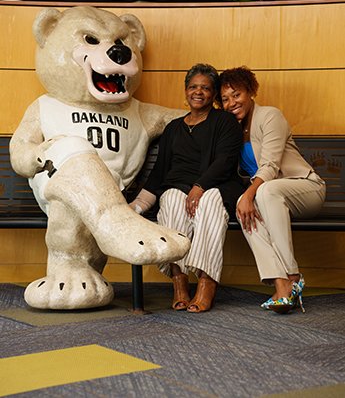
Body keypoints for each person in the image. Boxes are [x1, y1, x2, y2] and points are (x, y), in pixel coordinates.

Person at [130, 63, 244, 312]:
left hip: (218, 186)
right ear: (186, 91)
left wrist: (200, 186)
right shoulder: (173, 129)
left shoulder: (225, 122)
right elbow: (159, 174)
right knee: (170, 199)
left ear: (213, 94)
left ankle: (206, 282)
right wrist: (136, 206)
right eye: (193, 86)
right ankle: (179, 283)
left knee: (210, 200)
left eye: (205, 88)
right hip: (178, 189)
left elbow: (225, 161)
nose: (198, 92)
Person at [219, 66, 326, 313]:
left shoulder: (270, 116)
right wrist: (244, 199)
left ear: (251, 91)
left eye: (236, 95)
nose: (232, 103)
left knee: (264, 192)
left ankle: (292, 275)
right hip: (272, 197)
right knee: (242, 209)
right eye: (225, 99)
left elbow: (270, 165)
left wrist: (248, 194)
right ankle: (281, 286)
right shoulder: (233, 129)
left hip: (305, 189)